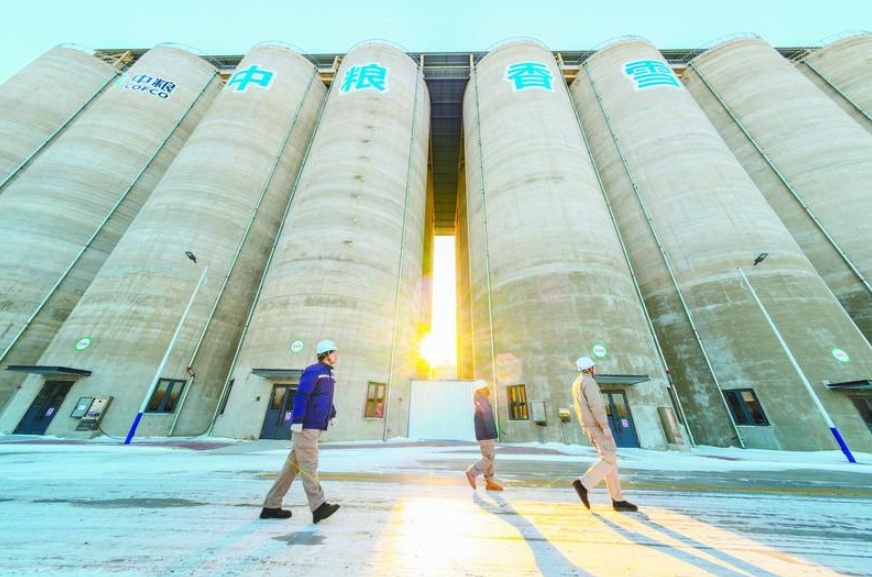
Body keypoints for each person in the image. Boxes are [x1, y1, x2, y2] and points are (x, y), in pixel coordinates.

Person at [259, 339, 341, 523]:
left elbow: (325, 399)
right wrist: (297, 420)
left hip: (314, 427)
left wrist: (332, 413)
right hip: (306, 427)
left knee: (290, 469)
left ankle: (271, 506)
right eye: (334, 352)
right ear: (326, 354)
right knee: (310, 466)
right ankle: (319, 506)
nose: (336, 355)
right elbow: (302, 395)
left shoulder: (328, 375)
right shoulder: (314, 371)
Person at [570, 356, 638, 512]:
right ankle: (583, 484)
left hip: (588, 425)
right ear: (590, 369)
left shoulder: (577, 383)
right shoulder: (589, 382)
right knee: (609, 458)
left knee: (610, 461)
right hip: (597, 426)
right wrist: (605, 425)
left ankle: (617, 499)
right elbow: (596, 406)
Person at [465, 380, 503, 491]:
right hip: (486, 434)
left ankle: (490, 482)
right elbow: (487, 416)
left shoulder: (479, 398)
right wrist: (492, 433)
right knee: (488, 457)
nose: (488, 389)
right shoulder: (481, 399)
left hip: (484, 433)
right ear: (482, 388)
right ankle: (473, 472)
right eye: (486, 387)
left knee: (489, 457)